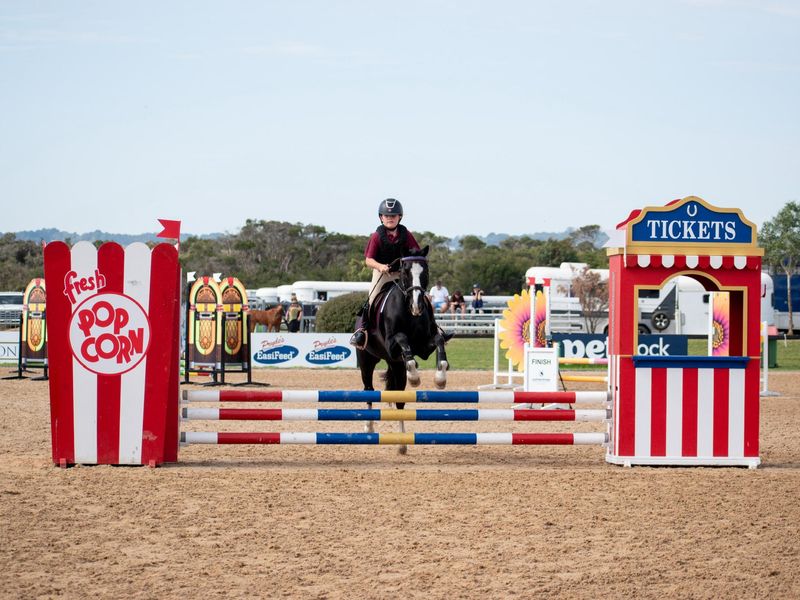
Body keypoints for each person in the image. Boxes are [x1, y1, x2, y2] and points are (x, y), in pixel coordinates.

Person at [349, 198, 421, 349]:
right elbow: (368, 260)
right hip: (382, 274)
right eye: (386, 216)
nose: (390, 218)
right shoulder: (376, 236)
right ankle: (362, 332)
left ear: (399, 217)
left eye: (393, 216)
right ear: (381, 217)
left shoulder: (406, 234)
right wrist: (380, 266)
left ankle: (434, 329)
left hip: (401, 274)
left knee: (420, 296)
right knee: (372, 299)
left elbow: (416, 253)